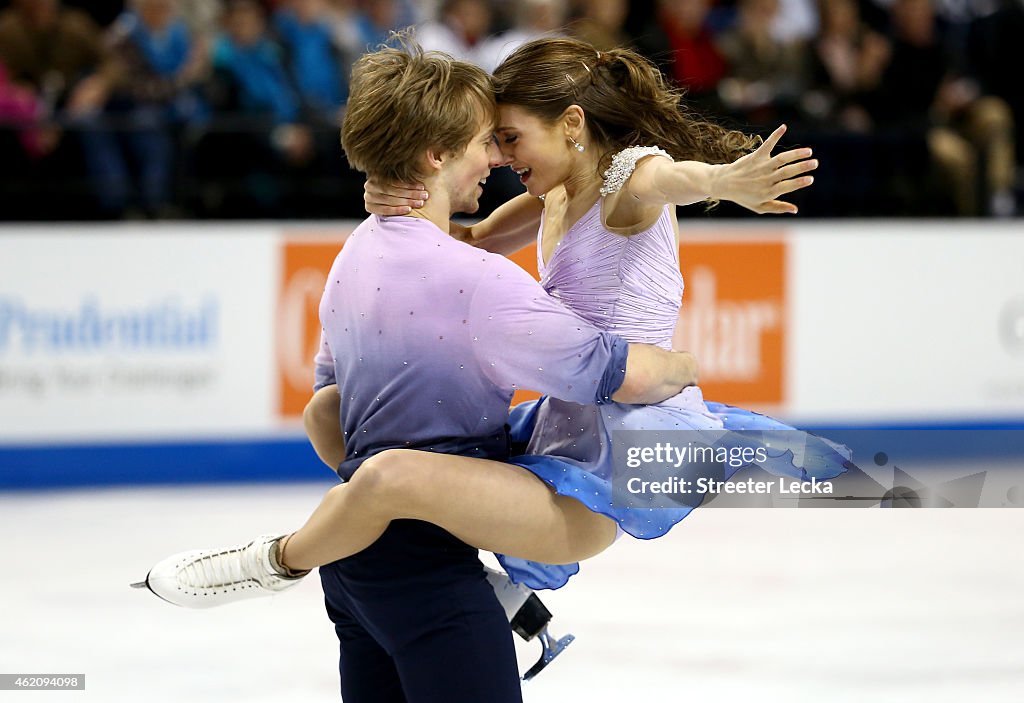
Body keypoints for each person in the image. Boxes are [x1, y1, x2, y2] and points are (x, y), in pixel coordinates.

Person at [138, 41, 715, 701]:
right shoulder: (480, 285)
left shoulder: (353, 254)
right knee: (403, 476)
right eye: (482, 141)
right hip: (429, 584)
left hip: (355, 572)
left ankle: (317, 552)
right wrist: (684, 364)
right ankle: (273, 560)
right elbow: (620, 373)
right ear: (437, 156)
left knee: (363, 447)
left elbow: (325, 413)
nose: (495, 158)